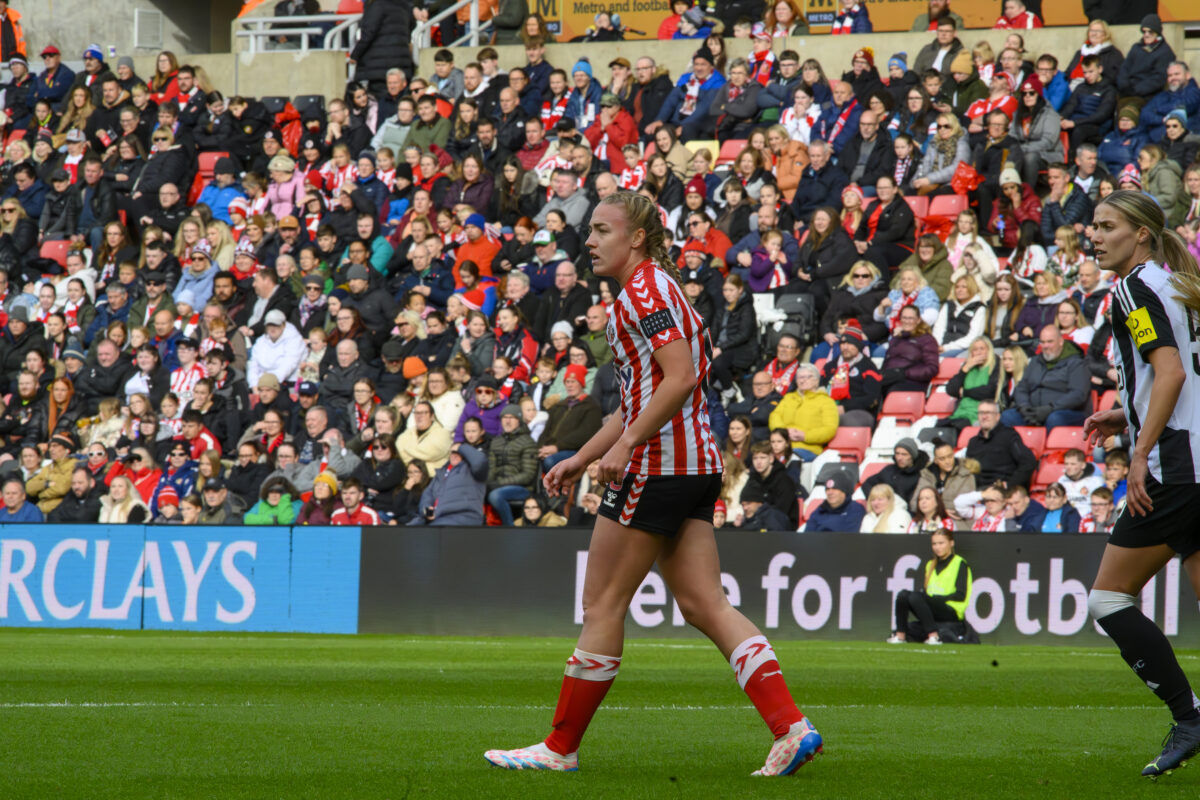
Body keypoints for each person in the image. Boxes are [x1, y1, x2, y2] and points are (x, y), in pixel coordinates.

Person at [486, 193, 820, 775]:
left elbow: (680, 378)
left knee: (602, 603)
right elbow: (642, 396)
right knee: (705, 603)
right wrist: (582, 455)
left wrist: (624, 447)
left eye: (602, 230)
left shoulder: (644, 292)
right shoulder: (653, 290)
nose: (590, 241)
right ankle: (791, 729)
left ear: (636, 237)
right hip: (692, 466)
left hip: (657, 467)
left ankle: (560, 748)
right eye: (590, 230)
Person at [1077, 188, 1200, 775]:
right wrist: (1125, 413)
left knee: (1108, 598)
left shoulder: (1132, 287)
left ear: (1142, 235)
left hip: (1179, 467)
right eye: (1093, 226)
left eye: (1107, 227)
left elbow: (1170, 372)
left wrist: (1140, 451)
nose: (1095, 236)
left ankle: (1189, 717)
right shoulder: (1181, 285)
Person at [887, 531, 972, 644]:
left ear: (951, 543)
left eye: (941, 543)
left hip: (951, 610)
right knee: (903, 595)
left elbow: (961, 595)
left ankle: (934, 636)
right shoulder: (930, 565)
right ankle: (900, 636)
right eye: (934, 544)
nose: (937, 547)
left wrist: (936, 599)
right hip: (934, 608)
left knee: (916, 596)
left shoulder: (960, 563)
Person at [1001, 324, 1091, 430]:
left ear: (1060, 341)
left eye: (1050, 342)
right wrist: (1025, 407)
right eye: (1042, 342)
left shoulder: (1076, 363)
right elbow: (1022, 387)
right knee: (1008, 416)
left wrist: (1050, 408)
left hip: (1065, 412)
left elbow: (1078, 394)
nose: (1046, 346)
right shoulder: (1035, 362)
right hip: (1033, 411)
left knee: (1054, 418)